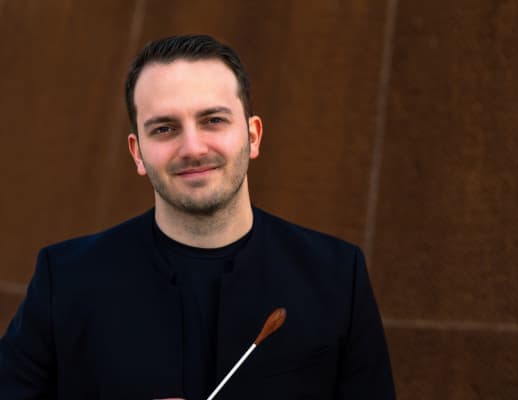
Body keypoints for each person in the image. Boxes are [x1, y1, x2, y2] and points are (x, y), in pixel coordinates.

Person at [0, 34, 395, 399]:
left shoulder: (337, 276)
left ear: (253, 136)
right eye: (164, 128)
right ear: (137, 153)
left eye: (213, 120)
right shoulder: (66, 279)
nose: (192, 147)